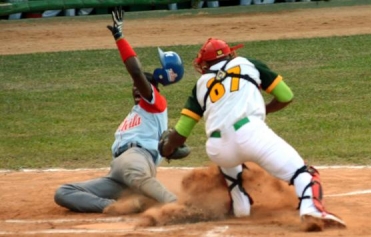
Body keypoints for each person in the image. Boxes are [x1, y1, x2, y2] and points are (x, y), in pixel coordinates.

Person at [158, 38, 346, 231]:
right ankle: (312, 209)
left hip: (218, 148)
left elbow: (180, 133)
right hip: (251, 133)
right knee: (304, 174)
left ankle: (241, 206)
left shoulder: (200, 85)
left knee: (229, 160)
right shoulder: (248, 64)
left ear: (205, 63)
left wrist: (166, 149)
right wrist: (261, 109)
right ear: (230, 54)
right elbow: (286, 96)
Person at [54, 7, 185, 213]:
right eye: (133, 87)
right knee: (64, 192)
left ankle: (176, 206)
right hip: (118, 172)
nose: (135, 88)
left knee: (137, 175)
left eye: (139, 86)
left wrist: (119, 36)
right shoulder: (137, 114)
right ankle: (121, 206)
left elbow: (135, 71)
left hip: (137, 159)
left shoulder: (155, 103)